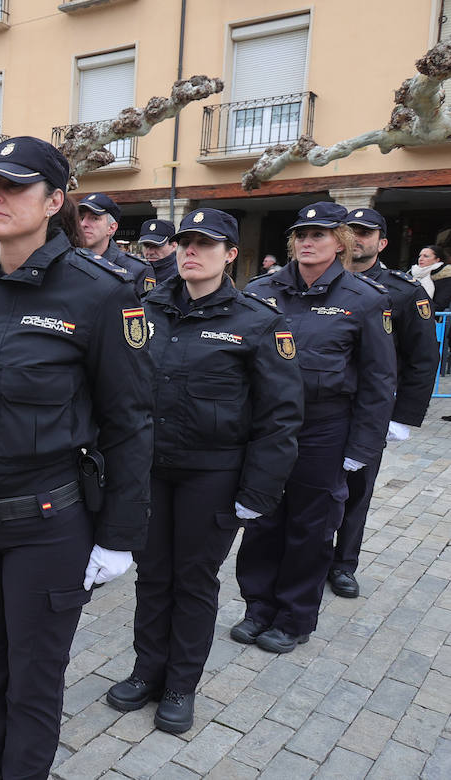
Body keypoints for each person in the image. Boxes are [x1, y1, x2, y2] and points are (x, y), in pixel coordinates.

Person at [0, 137, 152, 777]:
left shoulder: (100, 293)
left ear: (55, 202)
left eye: (13, 187)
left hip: (48, 523)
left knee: (32, 687)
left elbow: (130, 421)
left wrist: (118, 538)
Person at [105, 208, 302, 734]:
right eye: (185, 242)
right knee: (152, 575)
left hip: (212, 474)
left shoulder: (257, 321)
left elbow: (280, 415)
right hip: (150, 470)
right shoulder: (144, 310)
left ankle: (179, 684)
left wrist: (259, 489)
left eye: (206, 244)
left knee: (192, 581)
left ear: (230, 255)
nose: (191, 251)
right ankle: (147, 669)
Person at [238, 202, 396, 654]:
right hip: (269, 426)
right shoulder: (261, 290)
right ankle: (258, 607)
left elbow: (379, 379)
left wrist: (363, 444)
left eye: (319, 235)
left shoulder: (365, 300)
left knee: (310, 526)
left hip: (325, 427)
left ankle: (294, 617)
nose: (307, 242)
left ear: (340, 242)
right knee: (263, 520)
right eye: (301, 235)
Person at [327, 209, 439, 598]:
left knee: (357, 490)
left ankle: (343, 564)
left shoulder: (404, 292)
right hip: (319, 408)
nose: (356, 237)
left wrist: (402, 418)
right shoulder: (320, 283)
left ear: (382, 242)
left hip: (368, 411)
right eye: (350, 230)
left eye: (365, 232)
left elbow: (423, 359)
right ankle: (308, 554)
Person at [78, 193, 153, 296]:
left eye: (94, 218)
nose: (83, 224)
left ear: (111, 228)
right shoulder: (67, 262)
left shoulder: (136, 270)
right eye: (81, 218)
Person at [138, 220, 178, 290]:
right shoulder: (136, 270)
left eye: (156, 246)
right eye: (146, 245)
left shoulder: (182, 274)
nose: (150, 252)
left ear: (174, 245)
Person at [412, 244, 451, 309]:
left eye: (426, 256)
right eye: (420, 256)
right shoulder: (412, 273)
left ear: (437, 260)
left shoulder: (446, 276)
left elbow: (441, 304)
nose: (421, 259)